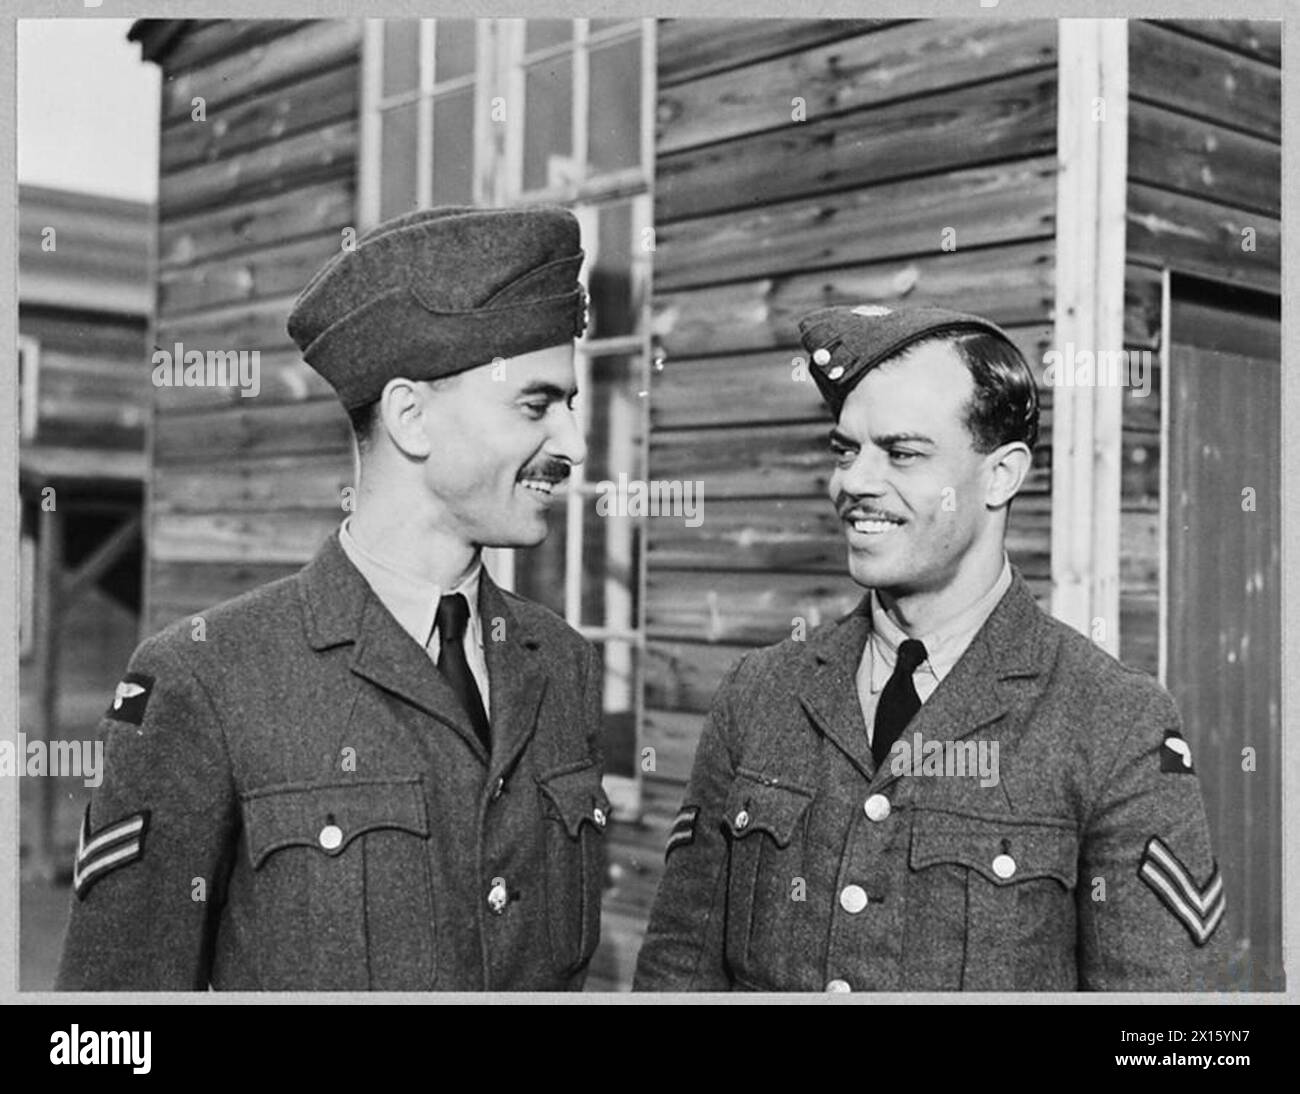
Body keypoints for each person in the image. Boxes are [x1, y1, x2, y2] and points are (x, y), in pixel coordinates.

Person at [57, 205, 611, 991]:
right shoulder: (207, 681)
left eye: (572, 404)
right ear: (410, 417)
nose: (574, 444)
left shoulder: (560, 665)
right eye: (536, 404)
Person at [633, 304, 1225, 991]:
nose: (854, 482)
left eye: (902, 453)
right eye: (845, 450)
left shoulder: (1113, 723)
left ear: (1001, 475)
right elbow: (677, 970)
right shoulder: (760, 693)